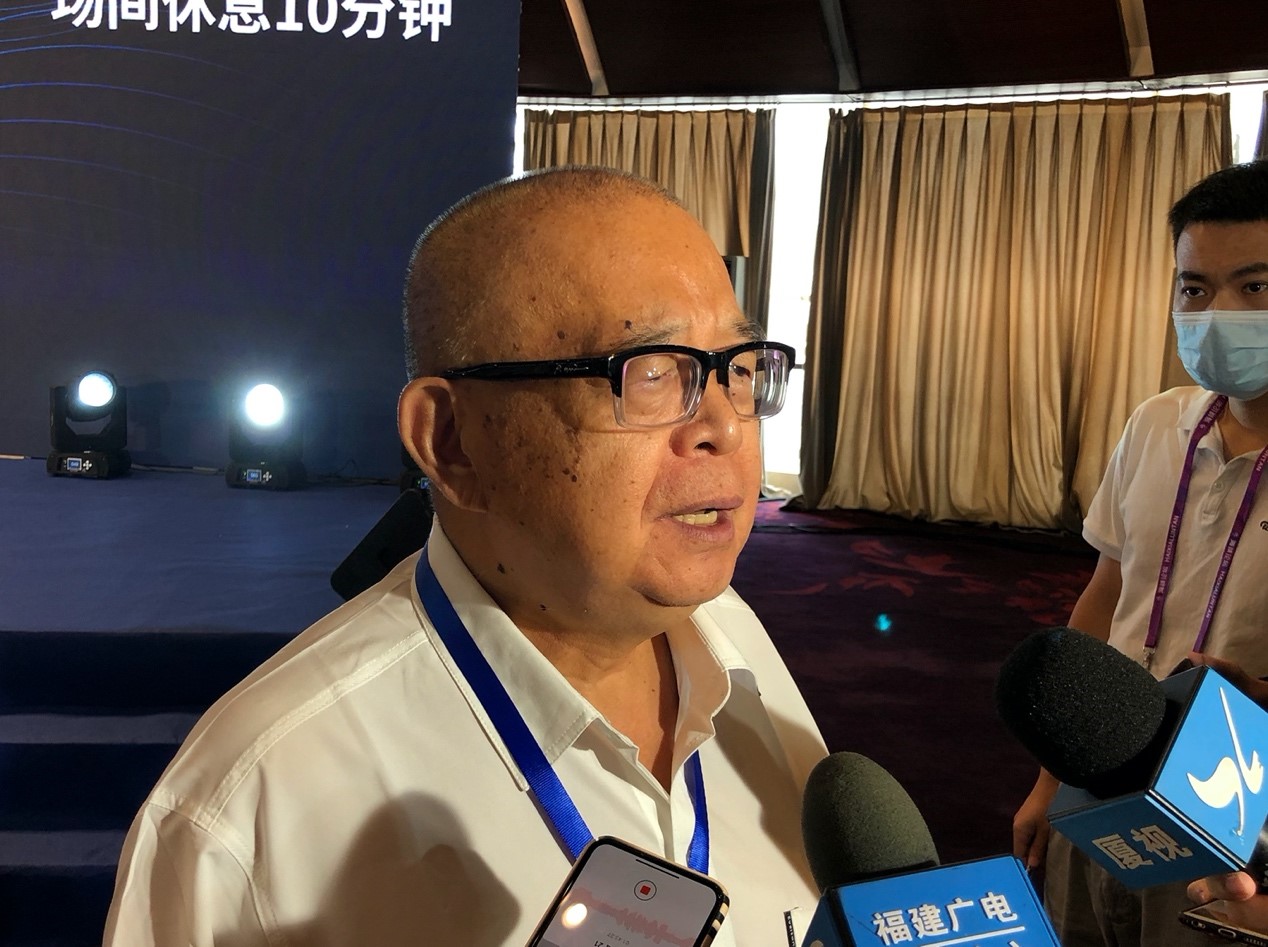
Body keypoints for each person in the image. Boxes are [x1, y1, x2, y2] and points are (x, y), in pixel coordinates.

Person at [102, 167, 827, 945]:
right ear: (451, 441)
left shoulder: (737, 645)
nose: (724, 424)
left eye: (739, 366)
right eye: (650, 372)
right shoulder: (247, 812)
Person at [1011, 159, 1268, 946]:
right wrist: (1052, 776)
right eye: (1196, 288)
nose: (1219, 314)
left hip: (1236, 802)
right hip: (1104, 773)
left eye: (1255, 286)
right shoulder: (1159, 423)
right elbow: (1107, 593)